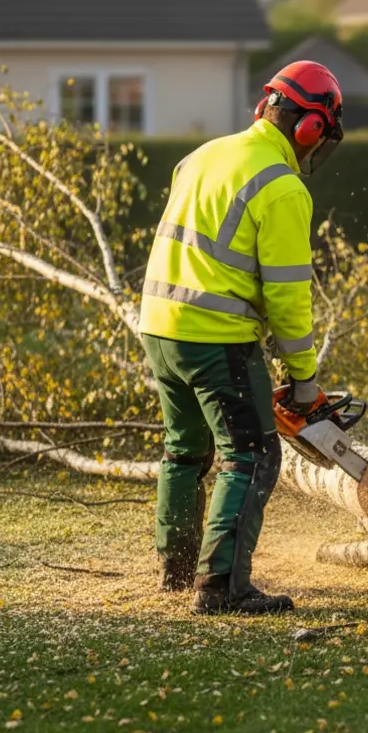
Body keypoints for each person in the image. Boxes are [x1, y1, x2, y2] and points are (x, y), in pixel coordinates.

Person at [137, 61, 344, 615]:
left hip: (159, 328)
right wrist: (304, 382)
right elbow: (287, 299)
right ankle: (222, 587)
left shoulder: (203, 155)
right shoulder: (281, 188)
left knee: (185, 451)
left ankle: (176, 573)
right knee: (251, 454)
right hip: (215, 338)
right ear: (311, 129)